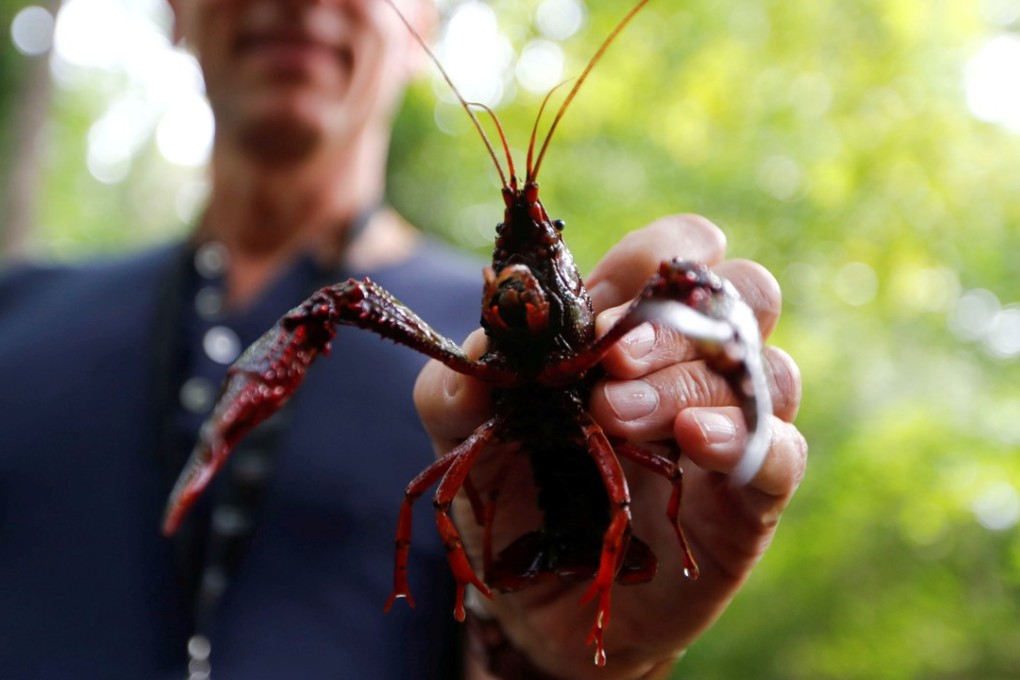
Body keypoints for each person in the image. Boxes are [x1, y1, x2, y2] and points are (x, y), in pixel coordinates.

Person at [0, 0, 806, 679]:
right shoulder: (14, 312)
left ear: (427, 19)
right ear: (173, 9)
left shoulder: (533, 341)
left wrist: (550, 660)